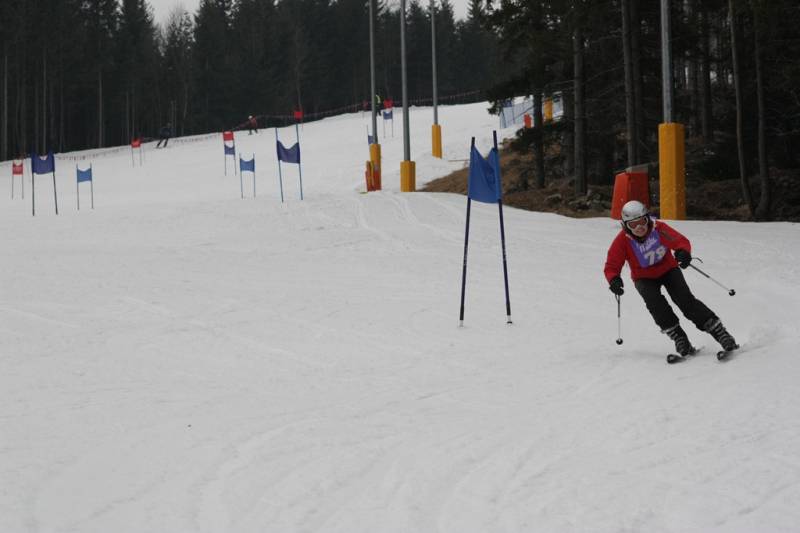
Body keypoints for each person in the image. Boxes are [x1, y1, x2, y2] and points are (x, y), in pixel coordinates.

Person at [604, 200, 738, 356]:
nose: (639, 227)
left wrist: (683, 252)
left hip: (668, 270)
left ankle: (720, 333)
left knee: (685, 301)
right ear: (625, 226)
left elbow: (679, 241)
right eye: (633, 225)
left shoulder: (658, 229)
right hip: (644, 278)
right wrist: (614, 279)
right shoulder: (623, 240)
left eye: (642, 222)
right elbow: (612, 264)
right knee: (657, 307)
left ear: (648, 219)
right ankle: (680, 338)